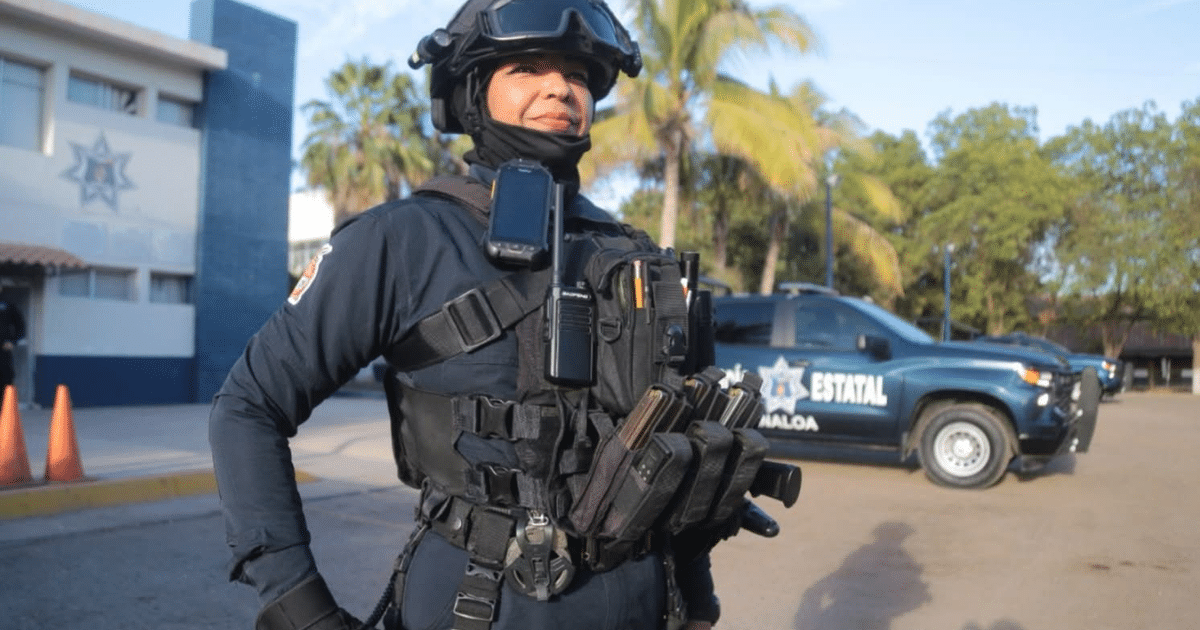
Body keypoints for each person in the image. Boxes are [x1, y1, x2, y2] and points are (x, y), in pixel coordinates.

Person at [210, 1, 743, 629]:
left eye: (576, 74)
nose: (559, 88)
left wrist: (696, 598)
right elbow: (248, 407)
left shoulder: (636, 257)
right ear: (471, 91)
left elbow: (682, 439)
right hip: (479, 600)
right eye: (528, 67)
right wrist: (296, 604)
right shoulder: (404, 239)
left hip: (644, 602)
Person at [0, 294, 26, 390]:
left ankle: (5, 402)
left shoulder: (7, 304)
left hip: (3, 347)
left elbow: (19, 323)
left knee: (5, 375)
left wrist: (13, 341)